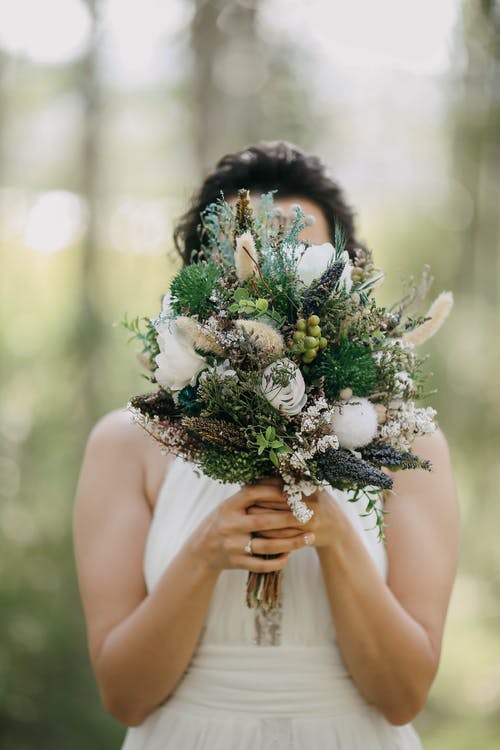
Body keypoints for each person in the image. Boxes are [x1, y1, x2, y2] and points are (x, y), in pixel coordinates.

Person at [73, 140, 460, 749]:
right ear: (202, 277)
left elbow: (404, 695)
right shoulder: (124, 445)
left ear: (342, 279)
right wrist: (203, 554)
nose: (276, 275)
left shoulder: (412, 446)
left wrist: (331, 535)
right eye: (253, 254)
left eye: (301, 255)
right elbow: (124, 696)